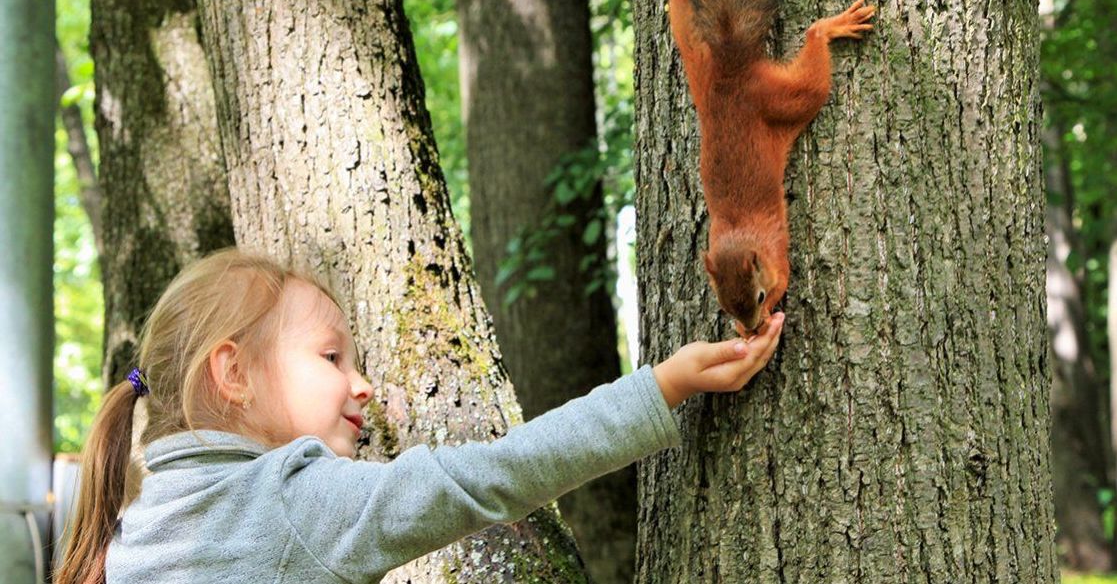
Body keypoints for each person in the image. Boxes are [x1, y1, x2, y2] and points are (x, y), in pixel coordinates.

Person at [55, 247, 784, 583]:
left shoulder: (133, 531)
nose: (362, 383)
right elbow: (487, 477)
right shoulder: (289, 500)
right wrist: (657, 388)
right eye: (332, 357)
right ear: (234, 372)